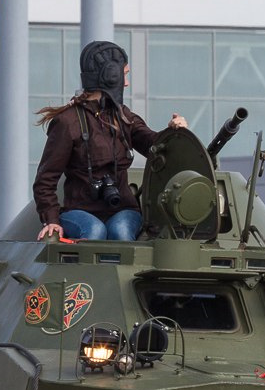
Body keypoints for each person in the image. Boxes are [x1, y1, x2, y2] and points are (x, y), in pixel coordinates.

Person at [33, 41, 187, 241]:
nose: (126, 83)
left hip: (123, 209)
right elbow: (45, 180)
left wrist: (173, 132)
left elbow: (154, 146)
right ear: (110, 75)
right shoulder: (68, 122)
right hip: (80, 210)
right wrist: (51, 219)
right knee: (94, 232)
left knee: (121, 233)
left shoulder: (123, 117)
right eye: (125, 74)